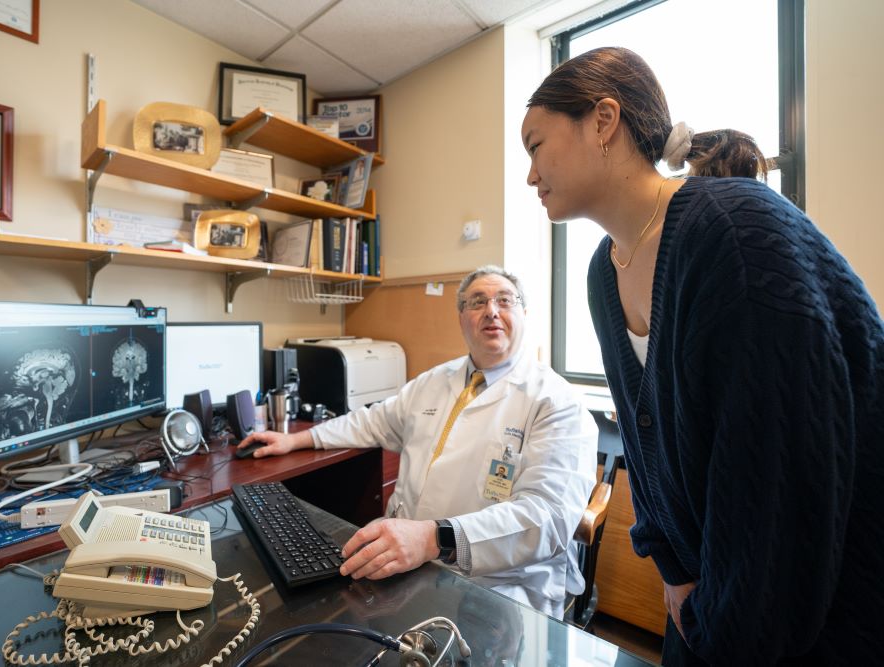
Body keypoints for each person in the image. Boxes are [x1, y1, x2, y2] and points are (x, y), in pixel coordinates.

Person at [522, 46, 884, 664]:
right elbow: (645, 442)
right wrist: (673, 568)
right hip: (709, 598)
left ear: (603, 121)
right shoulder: (604, 274)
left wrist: (721, 623)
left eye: (535, 144)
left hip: (819, 607)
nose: (530, 175)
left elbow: (781, 478)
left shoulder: (738, 233)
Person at [238, 265, 599, 618]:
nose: (491, 310)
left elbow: (547, 518)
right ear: (461, 317)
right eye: (477, 302)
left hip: (497, 589)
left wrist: (433, 539)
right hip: (406, 565)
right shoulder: (433, 381)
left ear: (523, 312)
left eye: (505, 300)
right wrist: (297, 439)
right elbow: (372, 421)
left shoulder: (556, 402)